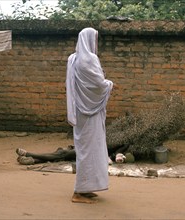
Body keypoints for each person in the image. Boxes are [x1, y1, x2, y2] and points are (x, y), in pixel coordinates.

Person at [66, 27, 113, 204]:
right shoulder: (90, 59)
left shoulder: (74, 59)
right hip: (91, 113)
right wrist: (109, 83)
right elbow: (99, 85)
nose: (96, 43)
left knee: (86, 150)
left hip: (80, 110)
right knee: (90, 151)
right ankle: (78, 192)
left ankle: (86, 188)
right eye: (95, 39)